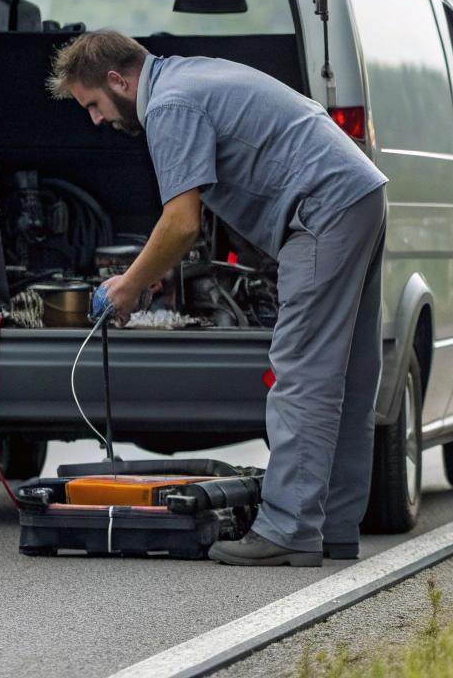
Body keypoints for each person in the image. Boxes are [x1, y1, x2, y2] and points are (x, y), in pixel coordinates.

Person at [47, 29, 388, 567]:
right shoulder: (188, 74)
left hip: (324, 209)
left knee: (303, 374)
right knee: (348, 373)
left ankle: (289, 531)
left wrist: (130, 284)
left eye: (92, 104)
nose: (95, 119)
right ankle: (335, 529)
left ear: (118, 80)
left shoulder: (169, 105)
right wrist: (154, 271)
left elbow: (182, 223)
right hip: (358, 193)